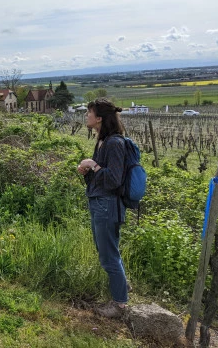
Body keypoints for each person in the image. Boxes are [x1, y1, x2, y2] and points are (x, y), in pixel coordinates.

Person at [77, 98, 128, 318]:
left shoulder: (115, 143)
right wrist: (88, 171)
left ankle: (119, 305)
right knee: (107, 251)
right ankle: (121, 287)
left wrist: (93, 165)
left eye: (89, 113)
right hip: (99, 202)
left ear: (99, 118)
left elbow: (114, 179)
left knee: (108, 256)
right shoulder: (102, 142)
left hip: (107, 205)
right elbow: (101, 176)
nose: (86, 116)